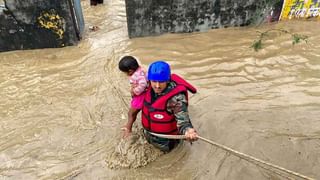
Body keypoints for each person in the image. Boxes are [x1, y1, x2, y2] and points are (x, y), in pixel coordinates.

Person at [141, 60, 198, 152]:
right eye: (154, 81)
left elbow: (183, 121)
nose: (157, 86)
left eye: (161, 82)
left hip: (165, 142)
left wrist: (188, 131)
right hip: (148, 133)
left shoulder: (176, 99)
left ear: (167, 80)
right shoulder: (147, 85)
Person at [118, 56, 148, 138]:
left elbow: (143, 84)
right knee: (133, 113)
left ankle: (128, 128)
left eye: (125, 72)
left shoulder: (136, 75)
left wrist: (135, 91)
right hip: (144, 94)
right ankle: (128, 126)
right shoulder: (141, 69)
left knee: (131, 113)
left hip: (140, 97)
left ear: (130, 71)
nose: (126, 74)